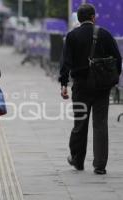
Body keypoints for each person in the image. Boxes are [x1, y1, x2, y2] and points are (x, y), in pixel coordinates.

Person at [59, 3, 122, 175]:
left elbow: (65, 63)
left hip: (80, 86)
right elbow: (117, 58)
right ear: (93, 17)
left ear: (78, 19)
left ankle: (77, 160)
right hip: (102, 86)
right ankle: (100, 165)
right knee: (100, 124)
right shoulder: (105, 34)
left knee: (80, 123)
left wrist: (64, 84)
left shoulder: (72, 37)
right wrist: (114, 80)